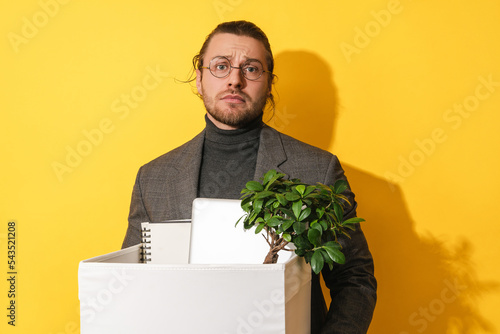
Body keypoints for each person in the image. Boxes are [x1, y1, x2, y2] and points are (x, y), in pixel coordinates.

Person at [122, 20, 377, 334]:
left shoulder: (317, 169)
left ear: (269, 83)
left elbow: (354, 279)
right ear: (199, 79)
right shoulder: (154, 178)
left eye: (252, 69)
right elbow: (132, 282)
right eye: (221, 66)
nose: (235, 80)